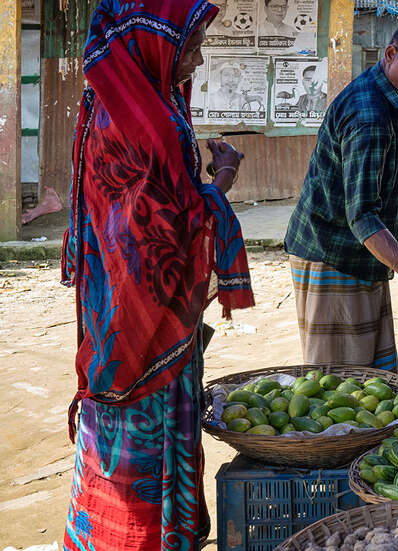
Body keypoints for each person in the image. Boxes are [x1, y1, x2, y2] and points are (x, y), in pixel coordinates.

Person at [62, 0, 254, 549]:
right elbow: (165, 230)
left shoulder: (123, 101)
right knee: (145, 439)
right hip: (143, 320)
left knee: (124, 433)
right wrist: (221, 180)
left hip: (117, 316)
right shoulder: (140, 119)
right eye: (187, 46)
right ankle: (145, 538)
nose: (194, 60)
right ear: (152, 45)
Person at [285, 15, 398, 370]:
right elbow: (361, 214)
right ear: (391, 53)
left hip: (366, 254)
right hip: (330, 252)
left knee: (371, 374)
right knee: (336, 384)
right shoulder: (368, 117)